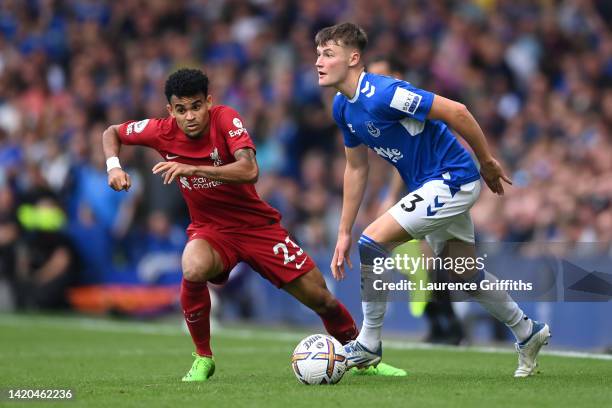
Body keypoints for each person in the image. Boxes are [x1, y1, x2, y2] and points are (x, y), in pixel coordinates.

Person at [102, 68, 404, 381]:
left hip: (258, 228)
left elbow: (249, 170)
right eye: (181, 110)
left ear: (209, 102)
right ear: (170, 111)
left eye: (195, 107)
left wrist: (194, 169)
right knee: (192, 266)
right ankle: (203, 357)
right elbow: (111, 132)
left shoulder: (225, 119)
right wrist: (114, 167)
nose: (189, 116)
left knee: (322, 298)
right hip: (212, 231)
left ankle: (364, 360)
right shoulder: (160, 130)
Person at [315, 23, 551, 378]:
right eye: (318, 53)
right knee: (464, 276)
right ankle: (527, 331)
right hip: (428, 185)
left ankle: (368, 343)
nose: (319, 61)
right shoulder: (342, 107)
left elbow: (457, 112)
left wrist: (486, 161)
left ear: (353, 58)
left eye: (328, 54)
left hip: (452, 177)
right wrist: (343, 231)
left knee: (373, 243)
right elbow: (356, 168)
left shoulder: (385, 93)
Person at [368, 55, 465, 345]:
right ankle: (442, 323)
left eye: (383, 76)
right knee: (419, 261)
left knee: (432, 258)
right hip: (423, 184)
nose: (377, 84)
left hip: (443, 182)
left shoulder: (411, 101)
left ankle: (449, 325)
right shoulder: (383, 109)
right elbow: (402, 160)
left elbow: (440, 132)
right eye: (373, 78)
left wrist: (391, 196)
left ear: (397, 75)